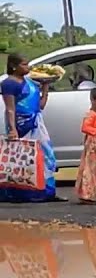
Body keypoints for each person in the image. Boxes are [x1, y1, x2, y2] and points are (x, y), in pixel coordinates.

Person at [0, 53, 58, 203]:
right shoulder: (9, 84)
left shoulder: (30, 83)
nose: (28, 67)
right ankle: (22, 193)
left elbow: (40, 105)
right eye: (24, 64)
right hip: (21, 124)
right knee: (24, 158)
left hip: (36, 123)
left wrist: (45, 87)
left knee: (45, 156)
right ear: (14, 66)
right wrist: (12, 129)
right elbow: (10, 109)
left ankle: (46, 191)